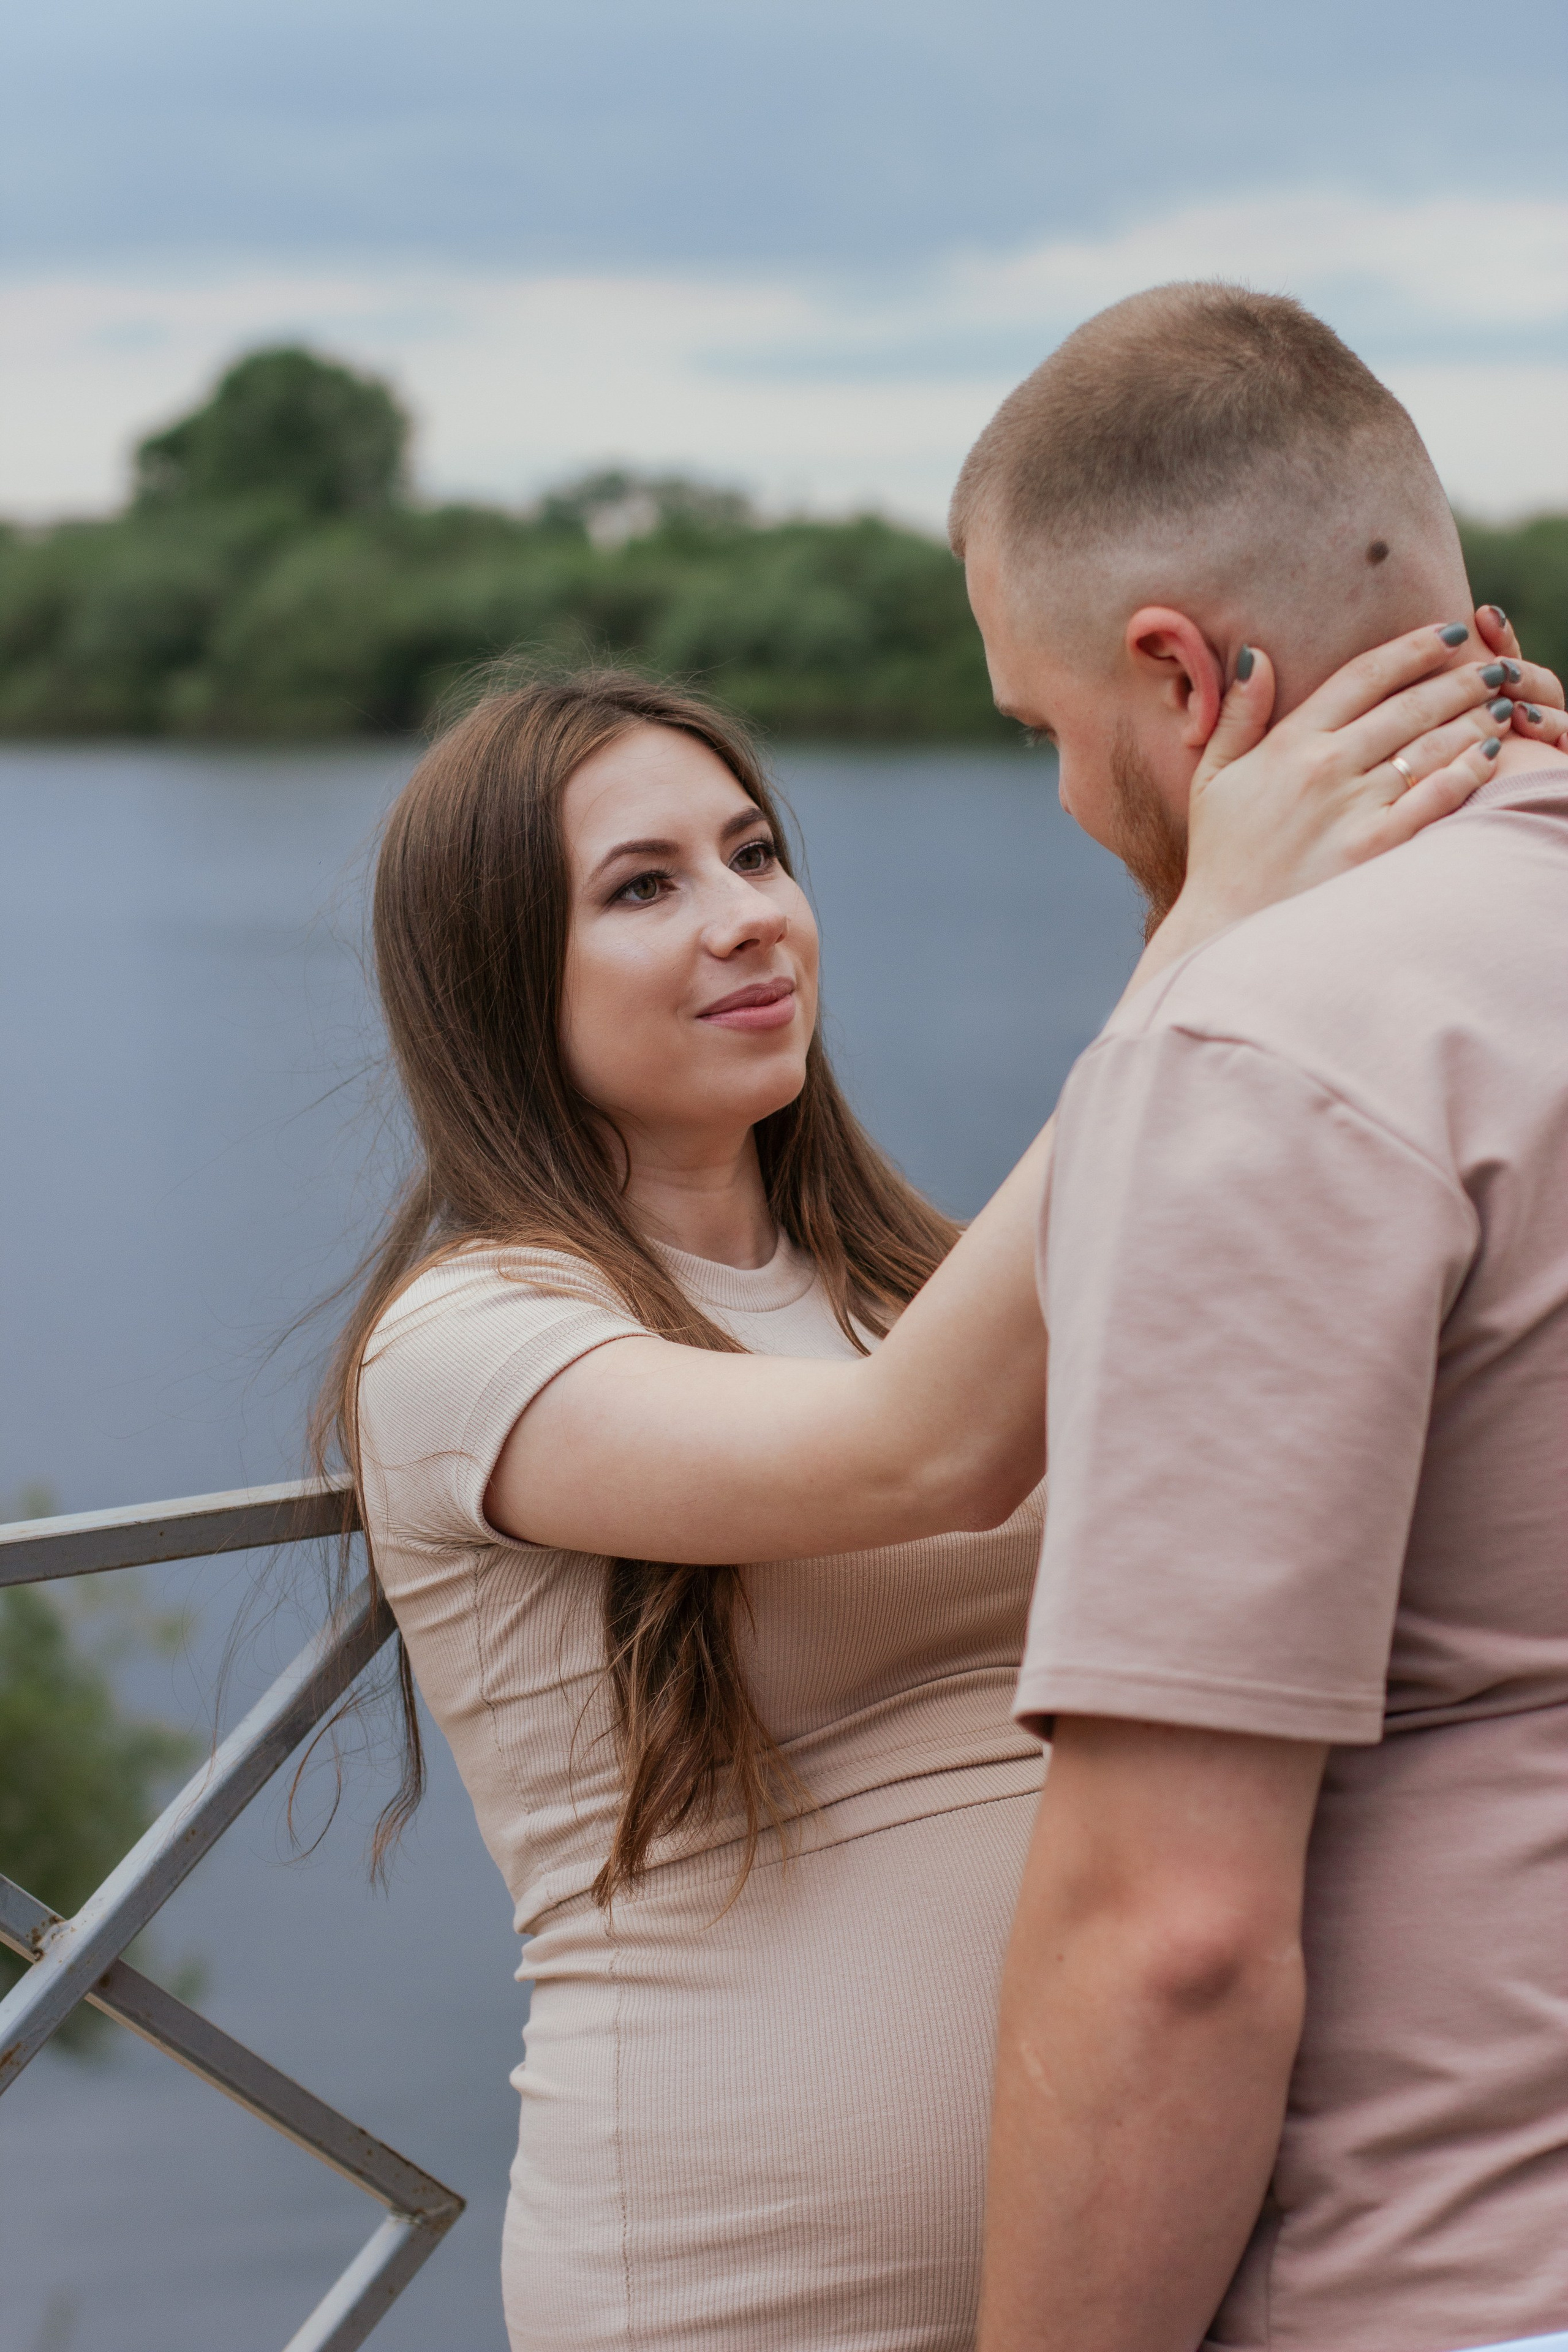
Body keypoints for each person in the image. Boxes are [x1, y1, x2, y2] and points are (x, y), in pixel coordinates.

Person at [330, 634, 1539, 2352]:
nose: (744, 915)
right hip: (732, 2286)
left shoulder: (922, 1284)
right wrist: (1208, 951)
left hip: (1124, 2269)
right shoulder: (471, 1340)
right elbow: (920, 1454)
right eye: (643, 888)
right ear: (494, 974)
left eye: (756, 855)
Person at [952, 284, 1568, 2352]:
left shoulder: (1269, 1049)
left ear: (1185, 674)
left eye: (1048, 729)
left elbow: (1175, 1938)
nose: (1059, 803)